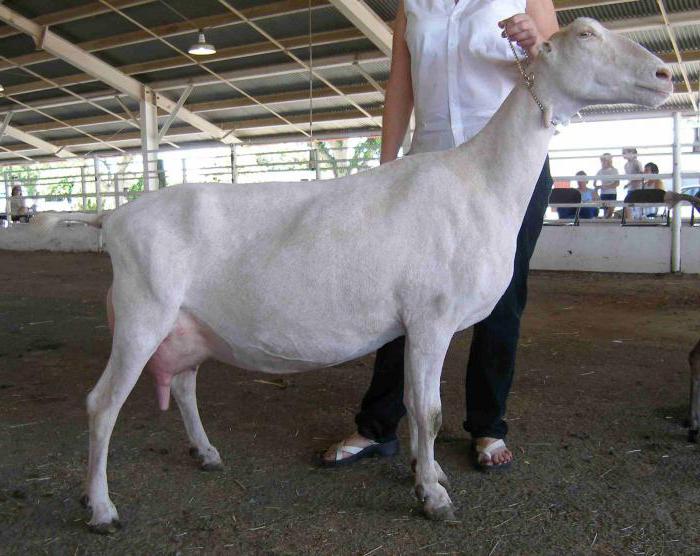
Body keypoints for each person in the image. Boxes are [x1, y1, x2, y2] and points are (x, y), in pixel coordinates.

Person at [320, 0, 558, 471]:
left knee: (502, 295)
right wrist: (387, 166)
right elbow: (400, 84)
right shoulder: (412, 5)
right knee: (398, 290)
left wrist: (536, 41)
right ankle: (378, 425)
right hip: (429, 166)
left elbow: (557, 62)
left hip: (506, 163)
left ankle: (488, 426)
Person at [594, 153, 619, 219]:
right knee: (605, 210)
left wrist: (607, 187)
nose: (603, 162)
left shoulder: (614, 170)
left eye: (605, 160)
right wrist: (599, 187)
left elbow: (617, 183)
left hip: (612, 193)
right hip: (603, 194)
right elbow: (594, 183)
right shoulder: (600, 171)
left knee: (611, 210)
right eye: (602, 160)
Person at [622, 147, 644, 220]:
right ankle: (631, 220)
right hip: (630, 188)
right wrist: (629, 184)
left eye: (625, 152)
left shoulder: (637, 163)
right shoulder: (625, 165)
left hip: (637, 189)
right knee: (628, 205)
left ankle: (637, 220)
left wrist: (629, 184)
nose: (623, 154)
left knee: (636, 206)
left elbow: (641, 176)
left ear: (632, 153)